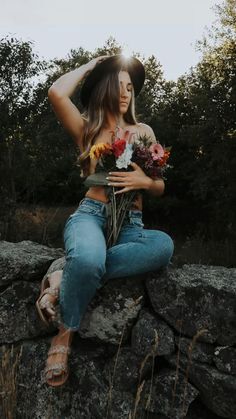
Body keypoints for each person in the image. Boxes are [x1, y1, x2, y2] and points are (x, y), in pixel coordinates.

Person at [36, 54, 174, 387]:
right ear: (104, 87)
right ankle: (65, 335)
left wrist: (143, 182)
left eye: (131, 87)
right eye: (119, 84)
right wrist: (92, 66)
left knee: (164, 246)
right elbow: (56, 93)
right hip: (91, 217)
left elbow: (159, 186)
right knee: (89, 257)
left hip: (132, 226)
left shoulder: (143, 132)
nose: (126, 93)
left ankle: (62, 275)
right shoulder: (88, 128)